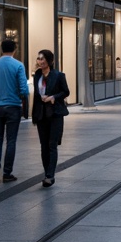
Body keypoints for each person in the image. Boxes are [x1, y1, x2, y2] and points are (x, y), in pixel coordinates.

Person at [0, 39, 30, 185]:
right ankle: (7, 173)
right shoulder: (18, 65)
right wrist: (24, 101)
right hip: (13, 106)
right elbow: (24, 89)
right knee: (11, 140)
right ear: (14, 50)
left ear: (1, 49)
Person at [31, 49, 69, 187]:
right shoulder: (37, 76)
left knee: (52, 145)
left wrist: (54, 97)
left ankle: (50, 175)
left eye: (43, 59)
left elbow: (66, 91)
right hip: (41, 114)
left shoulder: (58, 75)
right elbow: (36, 94)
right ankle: (47, 171)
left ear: (49, 61)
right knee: (43, 146)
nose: (40, 61)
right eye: (38, 59)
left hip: (55, 114)